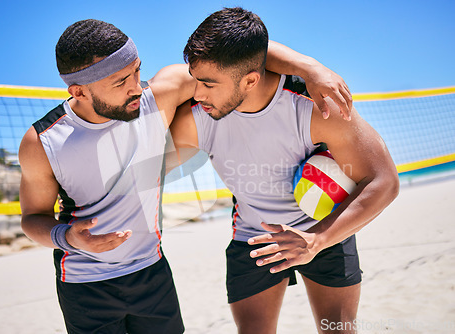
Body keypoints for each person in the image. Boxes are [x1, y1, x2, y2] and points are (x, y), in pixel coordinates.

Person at [19, 18, 354, 334]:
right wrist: (68, 238)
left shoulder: (160, 96)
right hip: (83, 281)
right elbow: (33, 218)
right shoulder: (43, 142)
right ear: (79, 92)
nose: (137, 87)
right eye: (120, 82)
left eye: (137, 71)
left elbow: (240, 54)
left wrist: (311, 68)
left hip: (151, 271)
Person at [170, 7, 399, 334]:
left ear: (250, 80)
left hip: (325, 227)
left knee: (339, 330)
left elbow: (384, 180)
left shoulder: (315, 107)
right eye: (196, 81)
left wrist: (316, 240)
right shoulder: (197, 115)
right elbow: (140, 169)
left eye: (208, 84)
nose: (198, 92)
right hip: (254, 235)